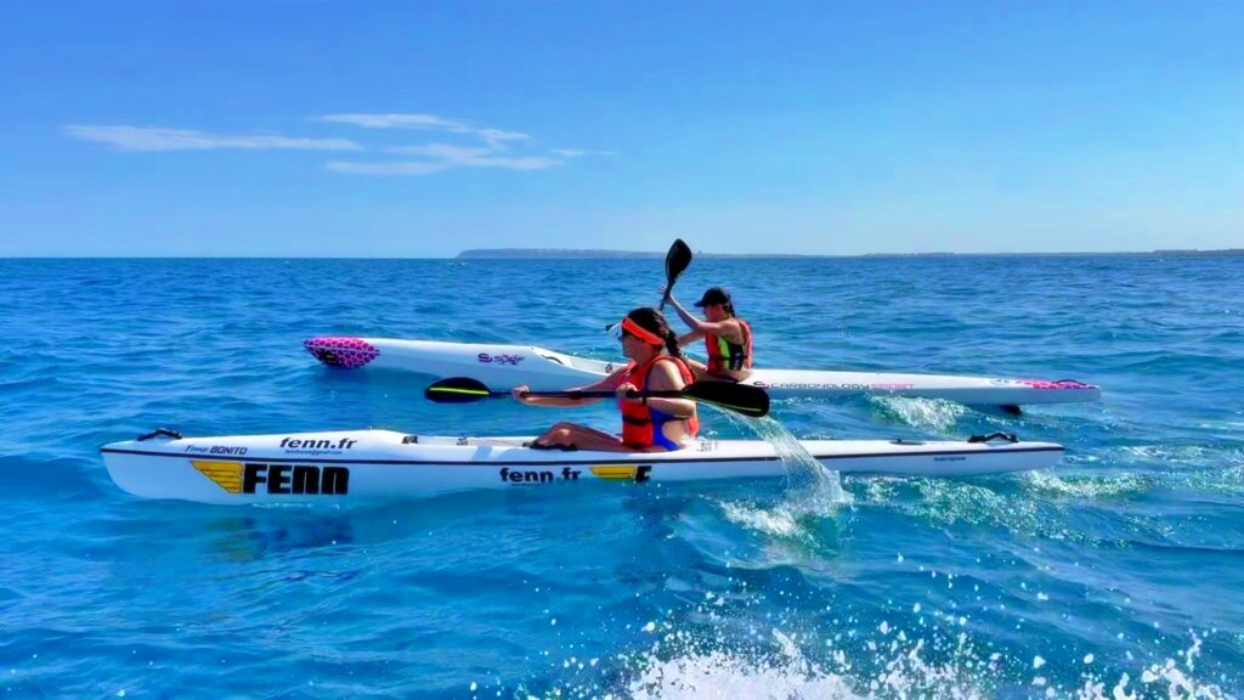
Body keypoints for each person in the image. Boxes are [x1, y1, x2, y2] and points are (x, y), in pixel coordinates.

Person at [511, 307, 700, 452]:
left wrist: (642, 399)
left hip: (656, 450)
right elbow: (580, 397)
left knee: (563, 435)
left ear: (642, 339)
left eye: (624, 336)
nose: (621, 340)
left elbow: (688, 407)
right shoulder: (630, 370)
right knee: (561, 427)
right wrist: (530, 398)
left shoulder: (662, 368)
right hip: (633, 446)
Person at [662, 286, 753, 382]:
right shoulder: (714, 327)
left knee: (674, 364)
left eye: (705, 307)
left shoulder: (730, 326)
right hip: (718, 376)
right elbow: (684, 340)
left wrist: (673, 303)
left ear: (718, 307)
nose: (703, 311)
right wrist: (662, 341)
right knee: (675, 358)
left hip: (729, 380)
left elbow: (698, 326)